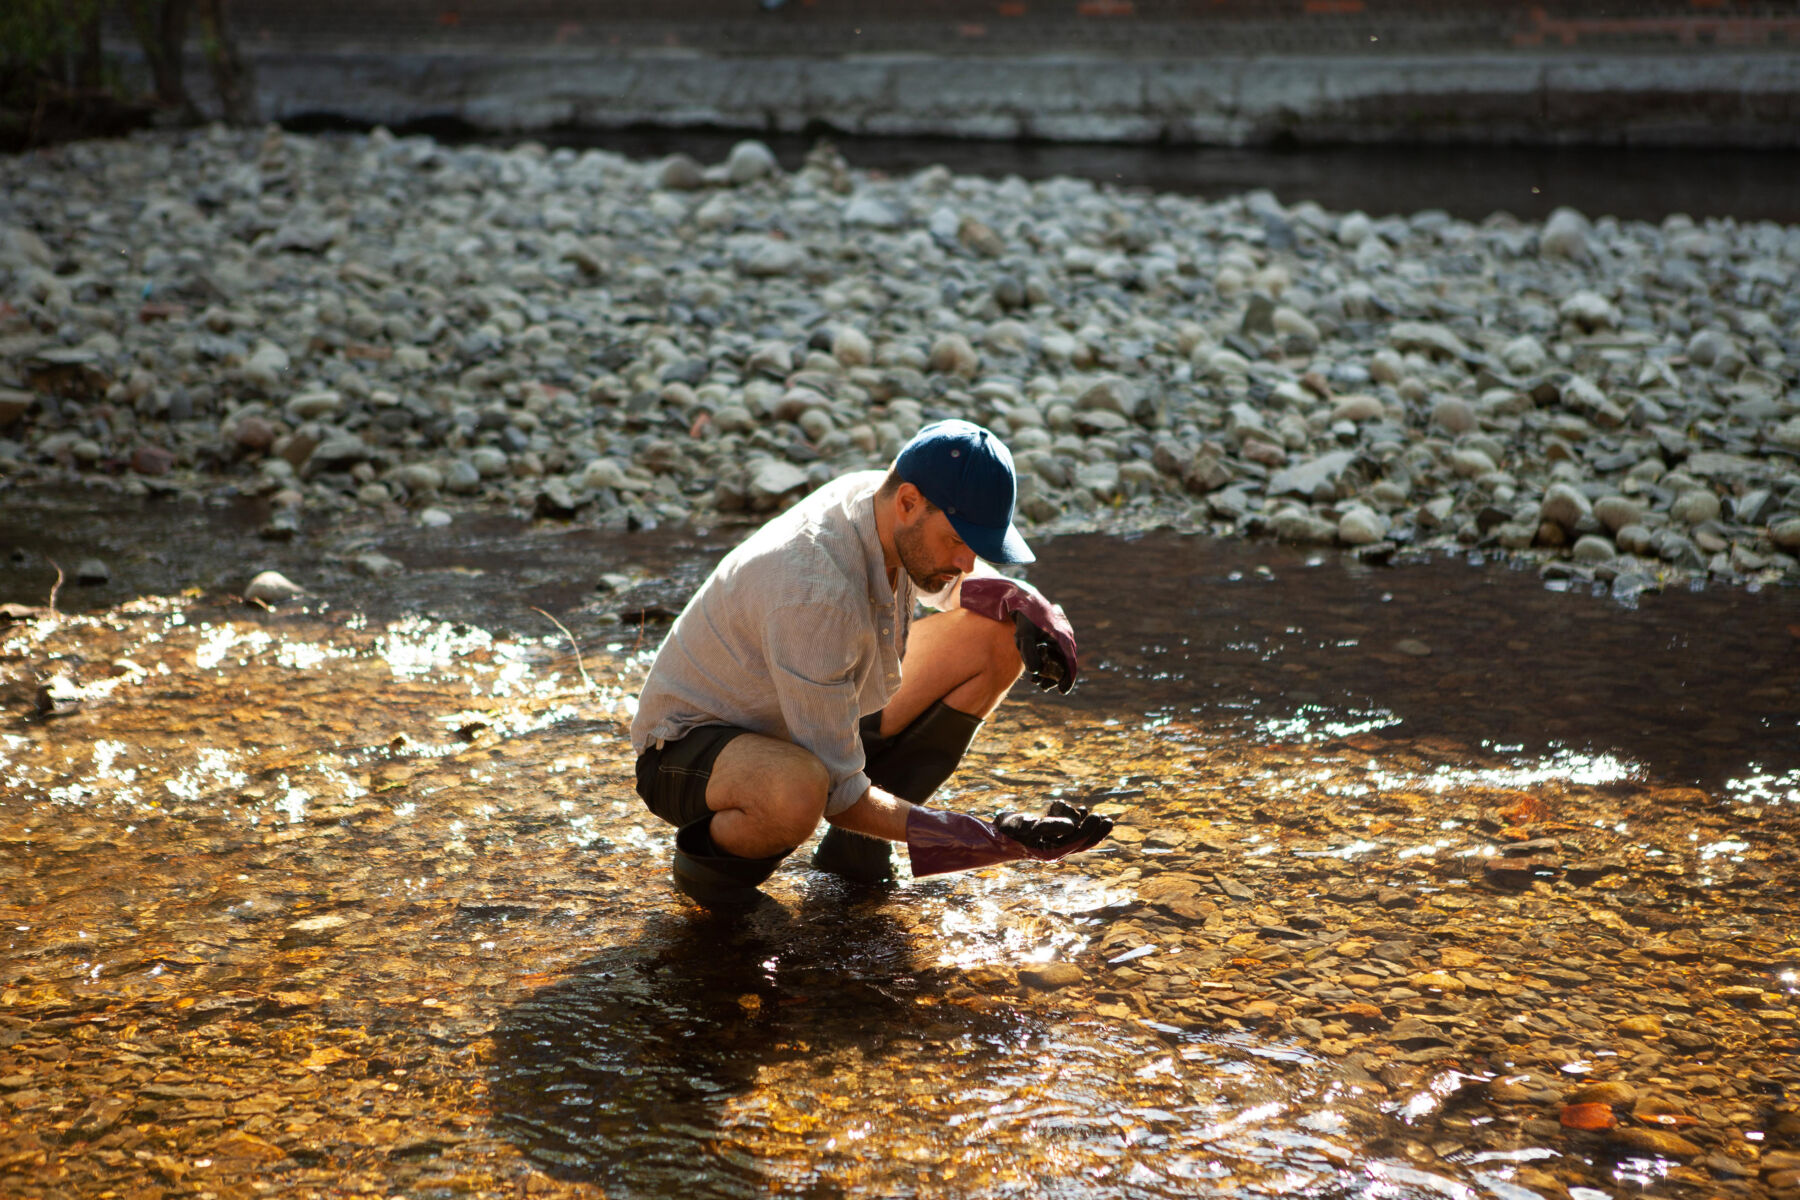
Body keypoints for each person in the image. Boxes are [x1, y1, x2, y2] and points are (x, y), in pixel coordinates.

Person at [629, 419, 1112, 905]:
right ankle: (709, 875)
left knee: (995, 636)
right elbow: (841, 795)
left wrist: (1024, 601)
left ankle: (854, 857)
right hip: (690, 747)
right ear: (907, 502)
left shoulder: (881, 500)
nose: (968, 563)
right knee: (800, 790)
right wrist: (988, 838)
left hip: (820, 702)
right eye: (960, 541)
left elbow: (947, 582)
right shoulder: (813, 594)